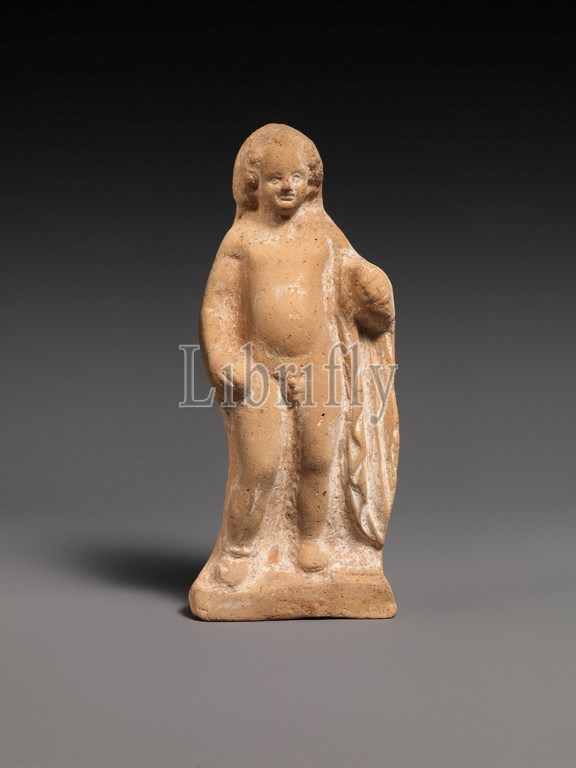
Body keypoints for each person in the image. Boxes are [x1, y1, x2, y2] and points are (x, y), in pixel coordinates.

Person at [199, 124, 399, 587]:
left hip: (320, 364)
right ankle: (241, 548)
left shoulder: (324, 232)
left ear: (312, 182)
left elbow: (357, 279)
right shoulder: (241, 239)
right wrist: (225, 358)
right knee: (259, 466)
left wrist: (378, 290)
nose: (287, 186)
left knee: (318, 459)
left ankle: (311, 539)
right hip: (260, 369)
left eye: (296, 177)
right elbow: (217, 306)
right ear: (255, 184)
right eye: (275, 178)